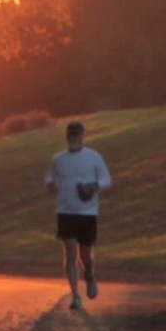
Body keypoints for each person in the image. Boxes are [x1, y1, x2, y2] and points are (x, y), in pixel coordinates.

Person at [44, 121, 112, 311]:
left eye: (76, 135)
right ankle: (75, 295)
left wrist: (93, 187)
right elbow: (49, 177)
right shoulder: (58, 159)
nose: (73, 138)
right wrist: (51, 185)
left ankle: (89, 275)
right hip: (65, 211)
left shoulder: (93, 157)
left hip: (87, 212)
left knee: (85, 255)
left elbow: (107, 180)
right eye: (70, 135)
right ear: (67, 137)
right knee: (70, 253)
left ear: (82, 136)